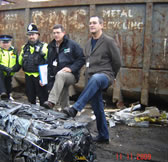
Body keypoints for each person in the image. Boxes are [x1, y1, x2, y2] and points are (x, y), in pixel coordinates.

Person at [63, 16, 122, 144]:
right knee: (97, 107)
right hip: (91, 79)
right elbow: (87, 61)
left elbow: (117, 62)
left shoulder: (108, 41)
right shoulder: (89, 43)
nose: (92, 25)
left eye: (94, 23)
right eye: (90, 23)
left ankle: (75, 108)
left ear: (102, 25)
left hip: (104, 75)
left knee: (96, 78)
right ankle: (104, 135)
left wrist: (112, 76)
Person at [43, 24, 85, 110]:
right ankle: (65, 110)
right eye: (54, 33)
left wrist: (71, 68)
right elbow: (49, 65)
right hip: (58, 75)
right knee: (63, 86)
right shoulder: (51, 46)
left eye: (58, 32)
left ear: (63, 33)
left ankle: (51, 101)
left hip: (72, 75)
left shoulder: (72, 45)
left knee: (61, 75)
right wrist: (48, 81)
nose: (56, 35)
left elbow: (81, 59)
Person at [19, 23, 48, 106]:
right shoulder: (24, 48)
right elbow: (20, 62)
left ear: (38, 35)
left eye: (33, 34)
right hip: (28, 77)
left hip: (40, 77)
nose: (31, 36)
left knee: (43, 100)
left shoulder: (44, 47)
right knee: (30, 99)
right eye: (29, 34)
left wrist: (44, 78)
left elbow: (49, 63)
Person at [0, 35, 21, 100]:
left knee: (8, 92)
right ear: (0, 42)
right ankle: (2, 92)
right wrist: (5, 68)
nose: (5, 44)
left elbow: (18, 64)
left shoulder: (14, 51)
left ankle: (5, 98)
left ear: (10, 42)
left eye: (7, 42)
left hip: (8, 75)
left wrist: (12, 69)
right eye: (3, 42)